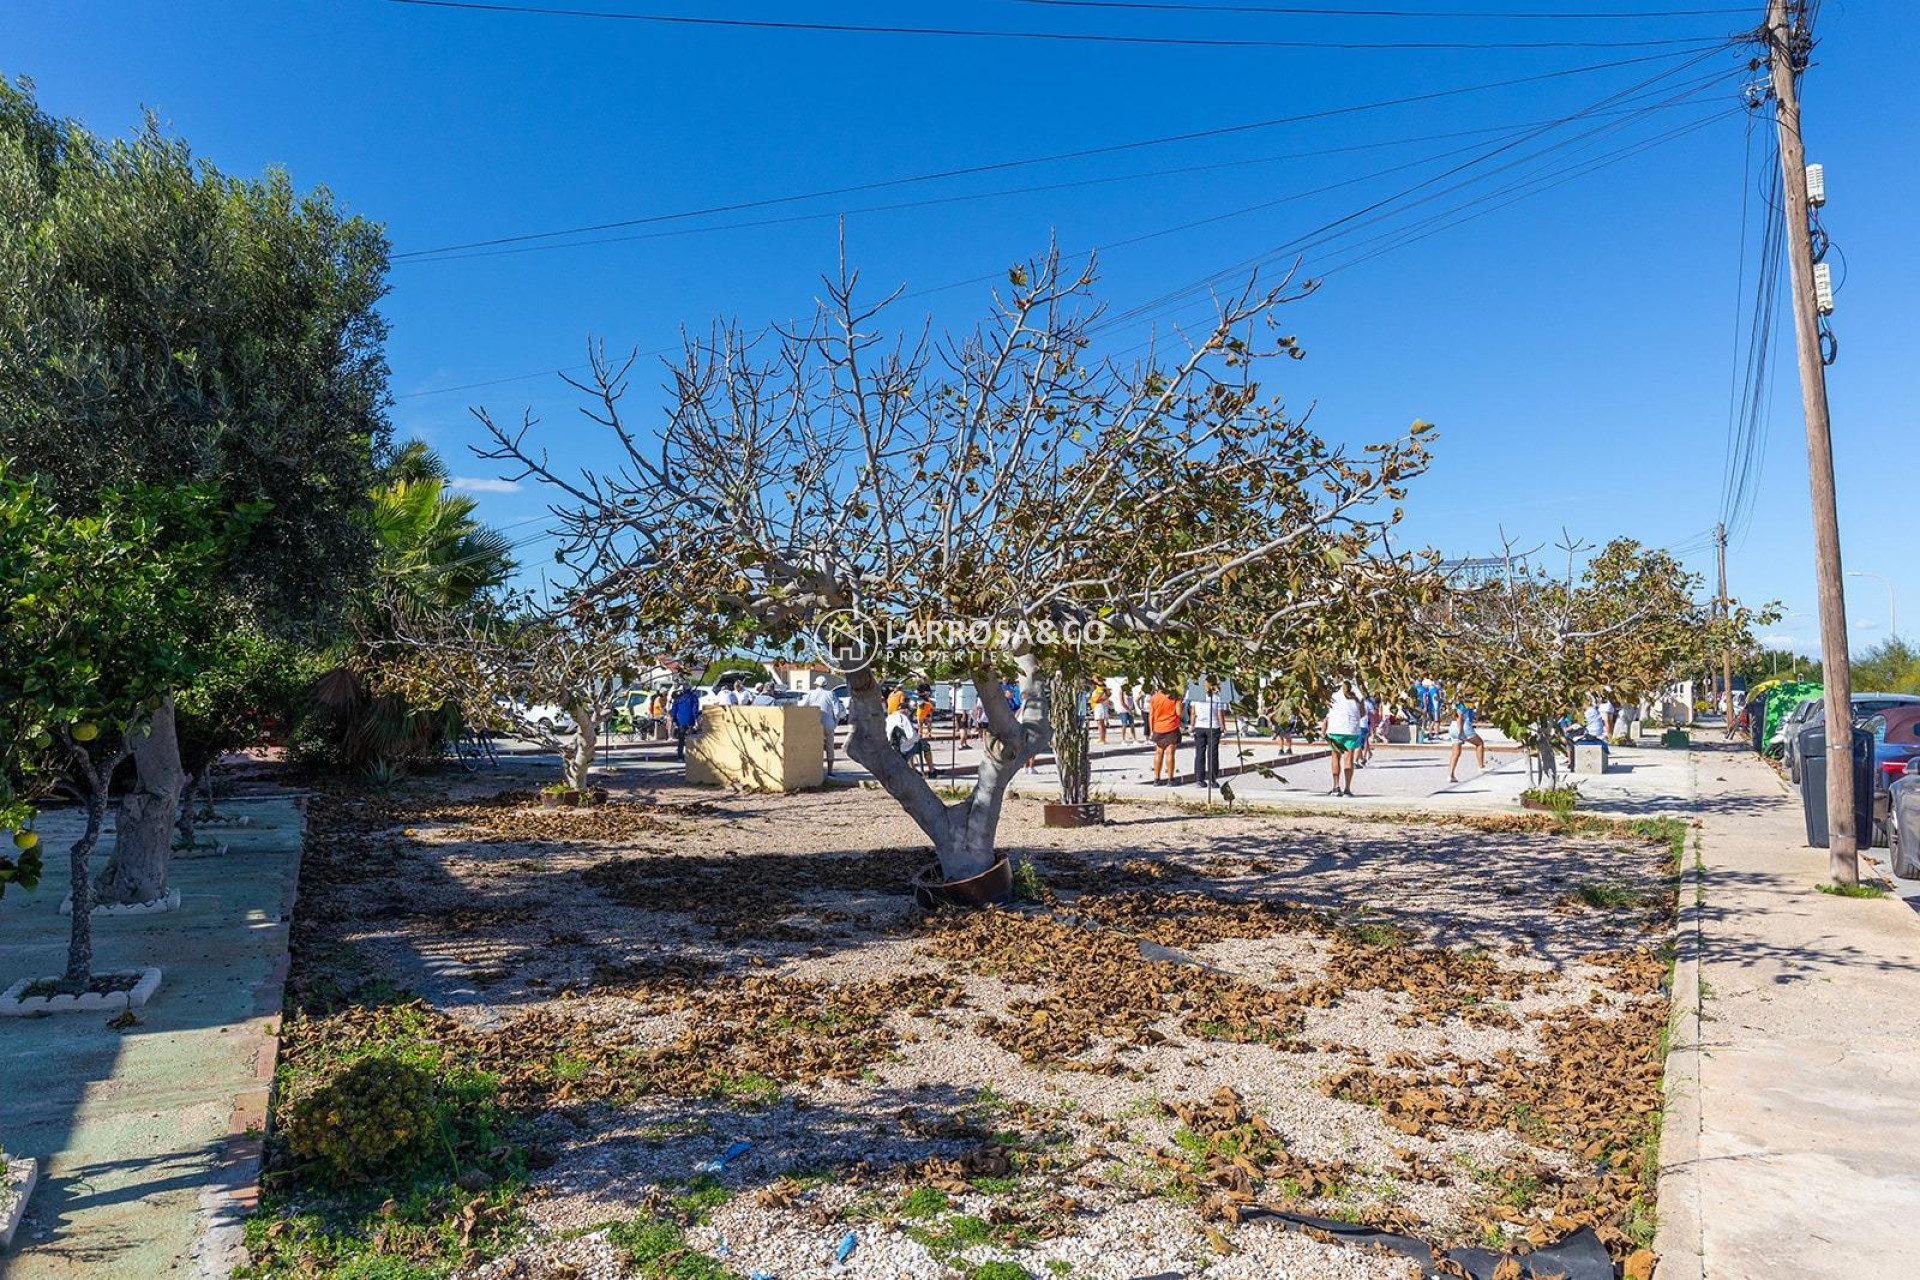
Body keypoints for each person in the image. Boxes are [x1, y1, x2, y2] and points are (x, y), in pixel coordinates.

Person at [1186, 678, 1231, 789]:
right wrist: (1223, 726)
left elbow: (1193, 713)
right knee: (1213, 754)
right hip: (1213, 726)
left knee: (1199, 753)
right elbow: (1219, 714)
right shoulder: (1217, 698)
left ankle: (1199, 779)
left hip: (1199, 726)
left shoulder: (1196, 698)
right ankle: (1212, 779)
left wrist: (1191, 725)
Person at [1324, 680, 1364, 796]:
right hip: (1351, 728)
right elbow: (1363, 712)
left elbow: (1328, 709)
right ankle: (1347, 789)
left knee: (1335, 757)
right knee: (1349, 759)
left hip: (1335, 728)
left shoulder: (1333, 689)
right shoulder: (1357, 690)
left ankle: (1336, 786)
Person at [802, 676, 840, 773]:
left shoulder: (810, 694)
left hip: (814, 724)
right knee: (830, 747)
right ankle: (830, 771)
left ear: (816, 684)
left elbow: (802, 706)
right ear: (825, 685)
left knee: (814, 747)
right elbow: (837, 711)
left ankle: (815, 771)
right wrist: (835, 723)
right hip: (829, 724)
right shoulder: (830, 694)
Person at [1148, 683, 1183, 785]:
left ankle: (1156, 778)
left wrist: (1152, 729)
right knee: (1170, 753)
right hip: (1171, 726)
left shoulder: (1155, 697)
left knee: (1158, 752)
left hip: (1158, 727)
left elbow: (1151, 715)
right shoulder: (1175, 696)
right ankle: (1170, 779)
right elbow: (1179, 712)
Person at [888, 700, 934, 776]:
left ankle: (912, 769)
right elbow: (912, 736)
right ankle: (932, 771)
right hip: (904, 748)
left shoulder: (890, 718)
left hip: (892, 747)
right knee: (925, 745)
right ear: (906, 710)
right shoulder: (904, 719)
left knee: (911, 744)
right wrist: (918, 737)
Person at [1446, 700, 1487, 783]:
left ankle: (1451, 775)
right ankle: (1481, 766)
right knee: (1479, 743)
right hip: (1463, 727)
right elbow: (1459, 716)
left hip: (1452, 727)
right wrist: (1460, 730)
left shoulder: (1456, 704)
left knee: (1455, 753)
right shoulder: (1464, 704)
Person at [669, 682, 702, 760]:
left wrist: (674, 719)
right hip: (690, 720)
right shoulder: (693, 697)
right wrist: (696, 719)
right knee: (690, 739)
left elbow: (674, 709)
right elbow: (694, 709)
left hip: (680, 721)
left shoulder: (678, 697)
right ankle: (691, 757)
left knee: (681, 739)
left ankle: (680, 756)